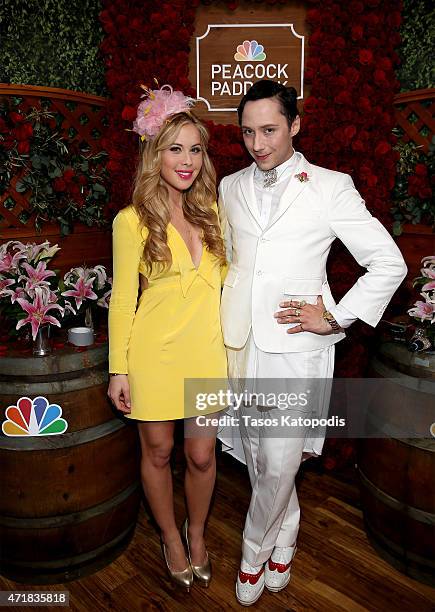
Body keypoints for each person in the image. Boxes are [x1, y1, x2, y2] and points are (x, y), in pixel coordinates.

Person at [217, 80, 407, 606]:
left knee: (279, 463)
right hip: (240, 345)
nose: (258, 143)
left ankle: (254, 555)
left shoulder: (329, 186)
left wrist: (337, 319)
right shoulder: (229, 187)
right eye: (249, 132)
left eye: (270, 130)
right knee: (258, 456)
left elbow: (389, 262)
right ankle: (287, 530)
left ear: (295, 126)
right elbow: (231, 265)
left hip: (298, 349)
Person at [108, 85, 227, 592]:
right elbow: (121, 301)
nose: (186, 160)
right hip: (152, 356)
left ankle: (196, 532)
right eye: (174, 148)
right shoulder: (131, 221)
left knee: (201, 455)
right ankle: (170, 540)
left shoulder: (215, 214)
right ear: (153, 153)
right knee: (158, 453)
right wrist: (118, 367)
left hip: (206, 354)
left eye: (195, 149)